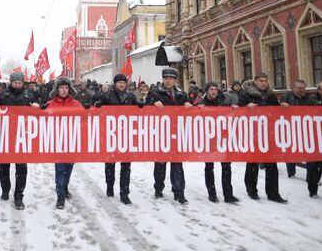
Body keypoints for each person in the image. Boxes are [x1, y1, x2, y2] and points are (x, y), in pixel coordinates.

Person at [0, 71, 39, 210]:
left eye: (19, 83)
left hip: (22, 136)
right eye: (15, 83)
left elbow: (39, 109)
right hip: (5, 135)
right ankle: (5, 190)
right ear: (11, 82)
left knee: (21, 168)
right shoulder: (2, 95)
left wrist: (36, 106)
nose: (17, 85)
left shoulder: (29, 95)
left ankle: (19, 195)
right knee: (4, 166)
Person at [238, 72, 287, 203]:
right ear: (255, 81)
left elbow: (275, 112)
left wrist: (282, 107)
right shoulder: (246, 94)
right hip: (253, 134)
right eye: (261, 81)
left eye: (265, 80)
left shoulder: (271, 96)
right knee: (252, 163)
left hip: (268, 134)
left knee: (272, 165)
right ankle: (251, 190)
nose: (263, 83)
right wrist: (246, 108)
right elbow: (237, 112)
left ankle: (273, 193)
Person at [146, 68, 191, 204]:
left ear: (175, 80)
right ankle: (158, 188)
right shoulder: (154, 93)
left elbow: (188, 109)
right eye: (166, 78)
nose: (168, 80)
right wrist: (152, 104)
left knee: (177, 163)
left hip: (177, 132)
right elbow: (144, 109)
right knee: (160, 163)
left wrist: (189, 106)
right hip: (161, 132)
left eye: (171, 78)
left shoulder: (182, 94)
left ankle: (179, 191)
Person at [94, 73, 138, 205]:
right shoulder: (106, 95)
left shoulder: (131, 96)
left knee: (126, 165)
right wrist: (97, 105)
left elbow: (138, 111)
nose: (122, 84)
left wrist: (141, 106)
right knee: (110, 164)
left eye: (124, 83)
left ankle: (125, 193)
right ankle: (110, 186)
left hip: (126, 135)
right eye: (119, 82)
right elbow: (95, 106)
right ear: (115, 83)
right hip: (110, 134)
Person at [197, 82, 239, 203]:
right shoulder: (201, 103)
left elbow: (231, 109)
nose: (214, 91)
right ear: (206, 91)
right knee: (209, 166)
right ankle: (212, 193)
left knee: (226, 166)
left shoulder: (223, 100)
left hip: (223, 138)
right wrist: (198, 109)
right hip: (209, 139)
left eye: (215, 89)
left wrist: (234, 108)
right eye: (211, 89)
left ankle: (228, 194)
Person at [46, 77, 82, 209]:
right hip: (58, 142)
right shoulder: (50, 103)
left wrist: (90, 110)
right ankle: (60, 196)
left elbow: (84, 118)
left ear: (69, 89)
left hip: (72, 141)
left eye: (66, 88)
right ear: (57, 89)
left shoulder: (76, 103)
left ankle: (65, 187)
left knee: (69, 168)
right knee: (60, 169)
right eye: (61, 87)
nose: (64, 90)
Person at [279, 79, 315, 178]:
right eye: (299, 88)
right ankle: (291, 172)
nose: (301, 90)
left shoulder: (309, 99)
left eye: (303, 88)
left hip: (305, 129)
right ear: (293, 88)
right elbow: (277, 110)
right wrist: (281, 106)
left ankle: (311, 176)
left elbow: (315, 111)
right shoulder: (286, 96)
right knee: (290, 151)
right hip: (290, 129)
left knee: (309, 152)